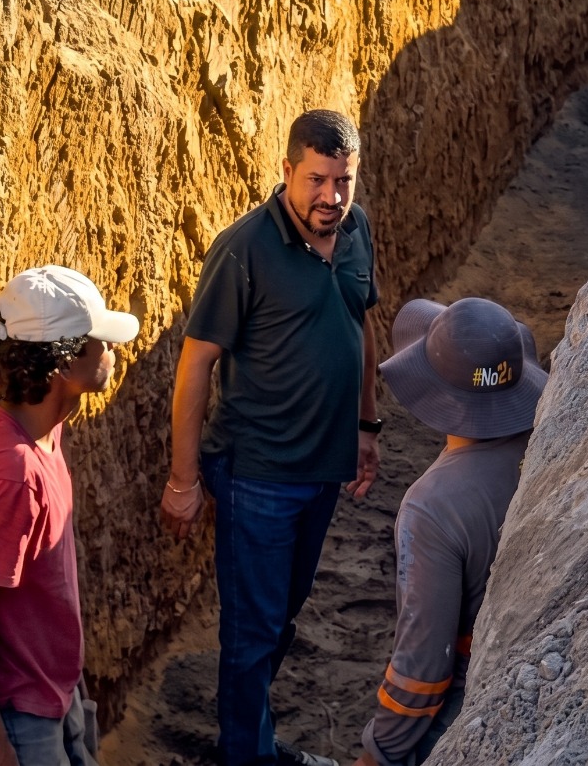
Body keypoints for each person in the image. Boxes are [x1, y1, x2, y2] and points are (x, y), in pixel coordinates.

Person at [161, 109, 382, 766]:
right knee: (252, 635)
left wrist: (367, 426)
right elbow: (196, 363)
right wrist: (182, 479)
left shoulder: (356, 230)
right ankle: (245, 753)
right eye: (316, 179)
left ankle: (253, 740)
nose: (331, 197)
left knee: (279, 620)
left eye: (343, 181)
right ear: (287, 171)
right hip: (258, 474)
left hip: (324, 470)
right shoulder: (244, 249)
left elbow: (361, 325)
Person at [0, 265, 139, 766]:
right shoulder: (12, 476)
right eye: (101, 342)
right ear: (63, 365)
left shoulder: (21, 416)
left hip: (47, 691)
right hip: (17, 713)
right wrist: (0, 753)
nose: (113, 351)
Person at [353, 297, 547, 766]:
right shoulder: (548, 437)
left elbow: (424, 660)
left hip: (472, 696)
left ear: (435, 391)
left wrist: (382, 750)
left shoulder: (432, 507)